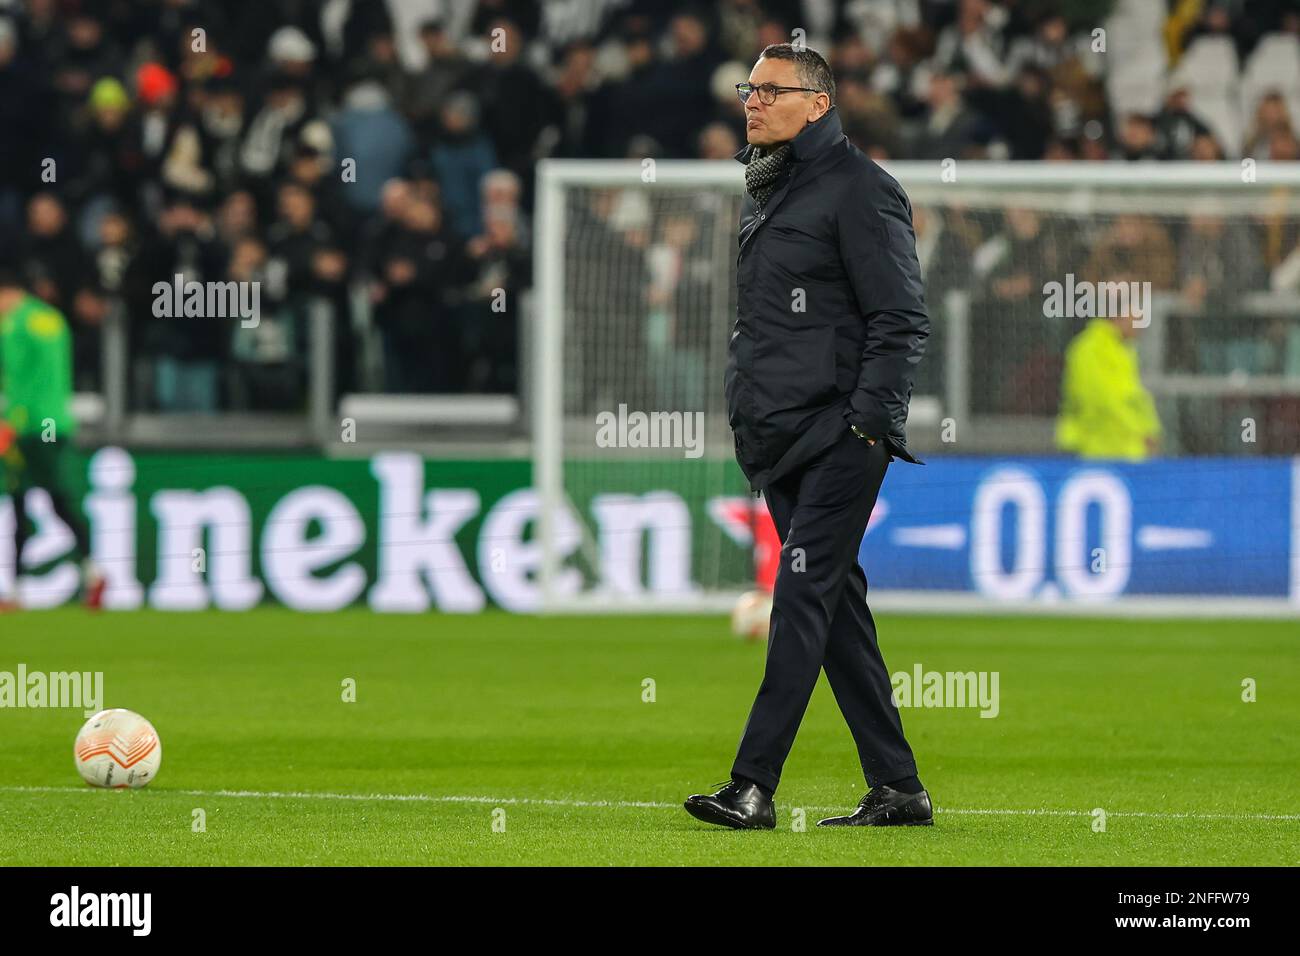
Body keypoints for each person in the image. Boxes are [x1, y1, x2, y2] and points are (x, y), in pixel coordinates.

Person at [684, 44, 931, 830]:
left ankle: (753, 785)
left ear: (818, 102)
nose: (751, 102)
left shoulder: (860, 189)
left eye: (769, 90)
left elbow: (900, 317)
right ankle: (898, 787)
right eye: (747, 89)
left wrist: (867, 423)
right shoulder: (775, 185)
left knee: (797, 598)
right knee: (834, 607)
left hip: (838, 436)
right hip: (781, 434)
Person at [0, 262, 104, 610]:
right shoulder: (52, 320)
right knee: (58, 499)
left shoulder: (13, 325)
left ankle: (13, 590)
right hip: (56, 425)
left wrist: (8, 423)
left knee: (19, 503)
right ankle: (93, 569)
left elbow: (17, 380)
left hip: (27, 427)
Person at [1056, 311, 1161, 460]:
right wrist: (1139, 432)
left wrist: (1150, 431)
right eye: (1135, 316)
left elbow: (1137, 398)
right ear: (1118, 316)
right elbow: (1101, 400)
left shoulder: (1125, 350)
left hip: (1127, 451)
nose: (1141, 323)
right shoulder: (1089, 349)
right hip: (1096, 451)